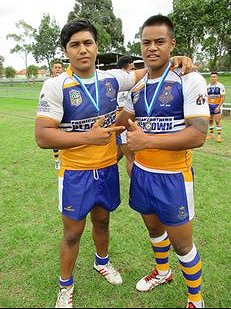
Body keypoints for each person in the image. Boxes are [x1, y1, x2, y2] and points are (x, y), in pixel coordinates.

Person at [35, 18, 194, 308]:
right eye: (74, 45)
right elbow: (43, 136)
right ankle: (65, 287)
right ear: (66, 51)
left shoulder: (113, 79)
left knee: (103, 221)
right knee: (72, 233)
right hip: (75, 173)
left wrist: (178, 60)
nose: (82, 50)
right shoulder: (57, 85)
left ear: (96, 47)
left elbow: (150, 72)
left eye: (88, 43)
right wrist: (89, 137)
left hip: (107, 168)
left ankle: (102, 263)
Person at [116, 15, 209, 308]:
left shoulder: (189, 78)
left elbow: (198, 135)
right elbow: (122, 126)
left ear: (172, 44)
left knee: (182, 244)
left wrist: (148, 142)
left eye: (159, 42)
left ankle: (195, 299)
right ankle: (163, 272)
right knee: (154, 231)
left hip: (173, 178)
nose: (152, 47)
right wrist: (130, 157)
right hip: (142, 175)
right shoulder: (137, 87)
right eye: (146, 42)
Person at [116, 55, 135, 176]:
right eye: (132, 67)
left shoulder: (116, 81)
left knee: (116, 156)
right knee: (131, 157)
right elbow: (124, 108)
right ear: (127, 66)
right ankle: (135, 184)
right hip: (124, 125)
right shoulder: (124, 83)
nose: (134, 70)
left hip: (120, 125)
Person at [50, 60, 65, 170]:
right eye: (56, 67)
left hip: (66, 112)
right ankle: (57, 160)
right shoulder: (49, 83)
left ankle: (66, 158)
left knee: (65, 135)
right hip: (54, 112)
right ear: (52, 69)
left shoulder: (66, 81)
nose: (58, 69)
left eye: (59, 67)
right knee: (54, 138)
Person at [206, 71, 225, 142]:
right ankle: (211, 135)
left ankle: (219, 136)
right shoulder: (207, 86)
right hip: (209, 106)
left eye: (214, 77)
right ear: (210, 78)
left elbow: (223, 97)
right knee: (210, 121)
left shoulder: (220, 86)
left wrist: (218, 107)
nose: (213, 78)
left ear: (217, 77)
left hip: (217, 106)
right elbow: (206, 97)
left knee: (217, 121)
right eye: (211, 77)